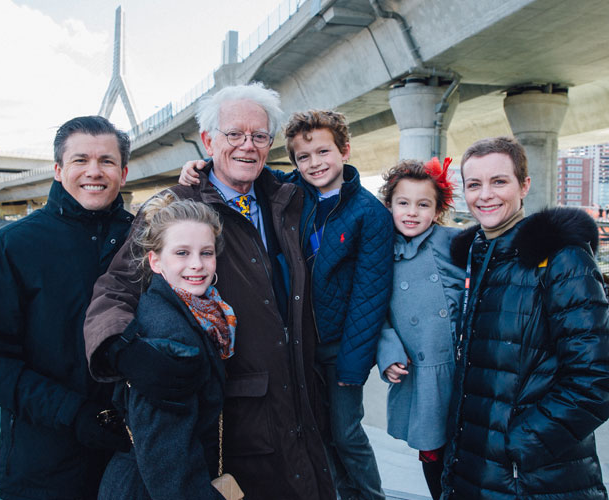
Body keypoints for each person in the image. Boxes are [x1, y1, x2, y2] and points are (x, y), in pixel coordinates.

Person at [83, 83, 335, 500]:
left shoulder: (287, 199)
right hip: (234, 419)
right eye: (233, 134)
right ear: (208, 141)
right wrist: (121, 349)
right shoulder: (174, 206)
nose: (247, 146)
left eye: (258, 136)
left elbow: (340, 187)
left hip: (300, 398)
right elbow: (116, 287)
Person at [180, 109, 394, 500]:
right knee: (320, 434)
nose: (315, 164)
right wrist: (200, 166)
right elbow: (246, 171)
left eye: (323, 153)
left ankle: (370, 495)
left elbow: (370, 296)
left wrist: (353, 364)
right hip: (303, 346)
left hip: (342, 347)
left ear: (345, 150)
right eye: (303, 157)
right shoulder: (294, 193)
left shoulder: (370, 213)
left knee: (346, 433)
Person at [0, 116, 134, 500]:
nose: (94, 171)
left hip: (131, 456)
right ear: (58, 170)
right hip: (44, 463)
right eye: (80, 160)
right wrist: (72, 413)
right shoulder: (11, 246)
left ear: (123, 172)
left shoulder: (143, 239)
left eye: (106, 161)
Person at [441, 136, 609, 499]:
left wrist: (520, 446)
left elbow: (597, 380)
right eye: (474, 184)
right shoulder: (476, 258)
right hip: (475, 470)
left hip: (534, 480)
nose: (485, 195)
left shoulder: (562, 260)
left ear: (524, 185)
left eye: (499, 181)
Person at [98, 196, 231, 500]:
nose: (197, 264)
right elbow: (168, 461)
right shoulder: (170, 334)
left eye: (206, 252)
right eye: (182, 253)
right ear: (155, 261)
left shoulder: (193, 310)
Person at [376, 158, 463, 499]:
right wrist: (388, 352)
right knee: (433, 456)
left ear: (438, 210)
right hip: (420, 376)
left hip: (459, 371)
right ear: (390, 206)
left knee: (468, 456)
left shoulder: (454, 242)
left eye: (423, 204)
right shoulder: (380, 253)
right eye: (403, 203)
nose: (412, 212)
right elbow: (376, 313)